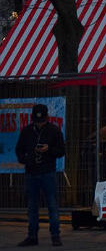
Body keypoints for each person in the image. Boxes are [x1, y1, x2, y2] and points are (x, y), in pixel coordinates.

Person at [15, 104, 66, 247]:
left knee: (52, 205)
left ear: (47, 118)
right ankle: (32, 235)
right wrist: (27, 159)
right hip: (32, 172)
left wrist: (49, 149)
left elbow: (61, 151)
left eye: (41, 121)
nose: (39, 124)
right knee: (32, 206)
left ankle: (55, 235)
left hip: (47, 172)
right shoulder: (26, 131)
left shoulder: (54, 131)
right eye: (37, 121)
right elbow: (19, 151)